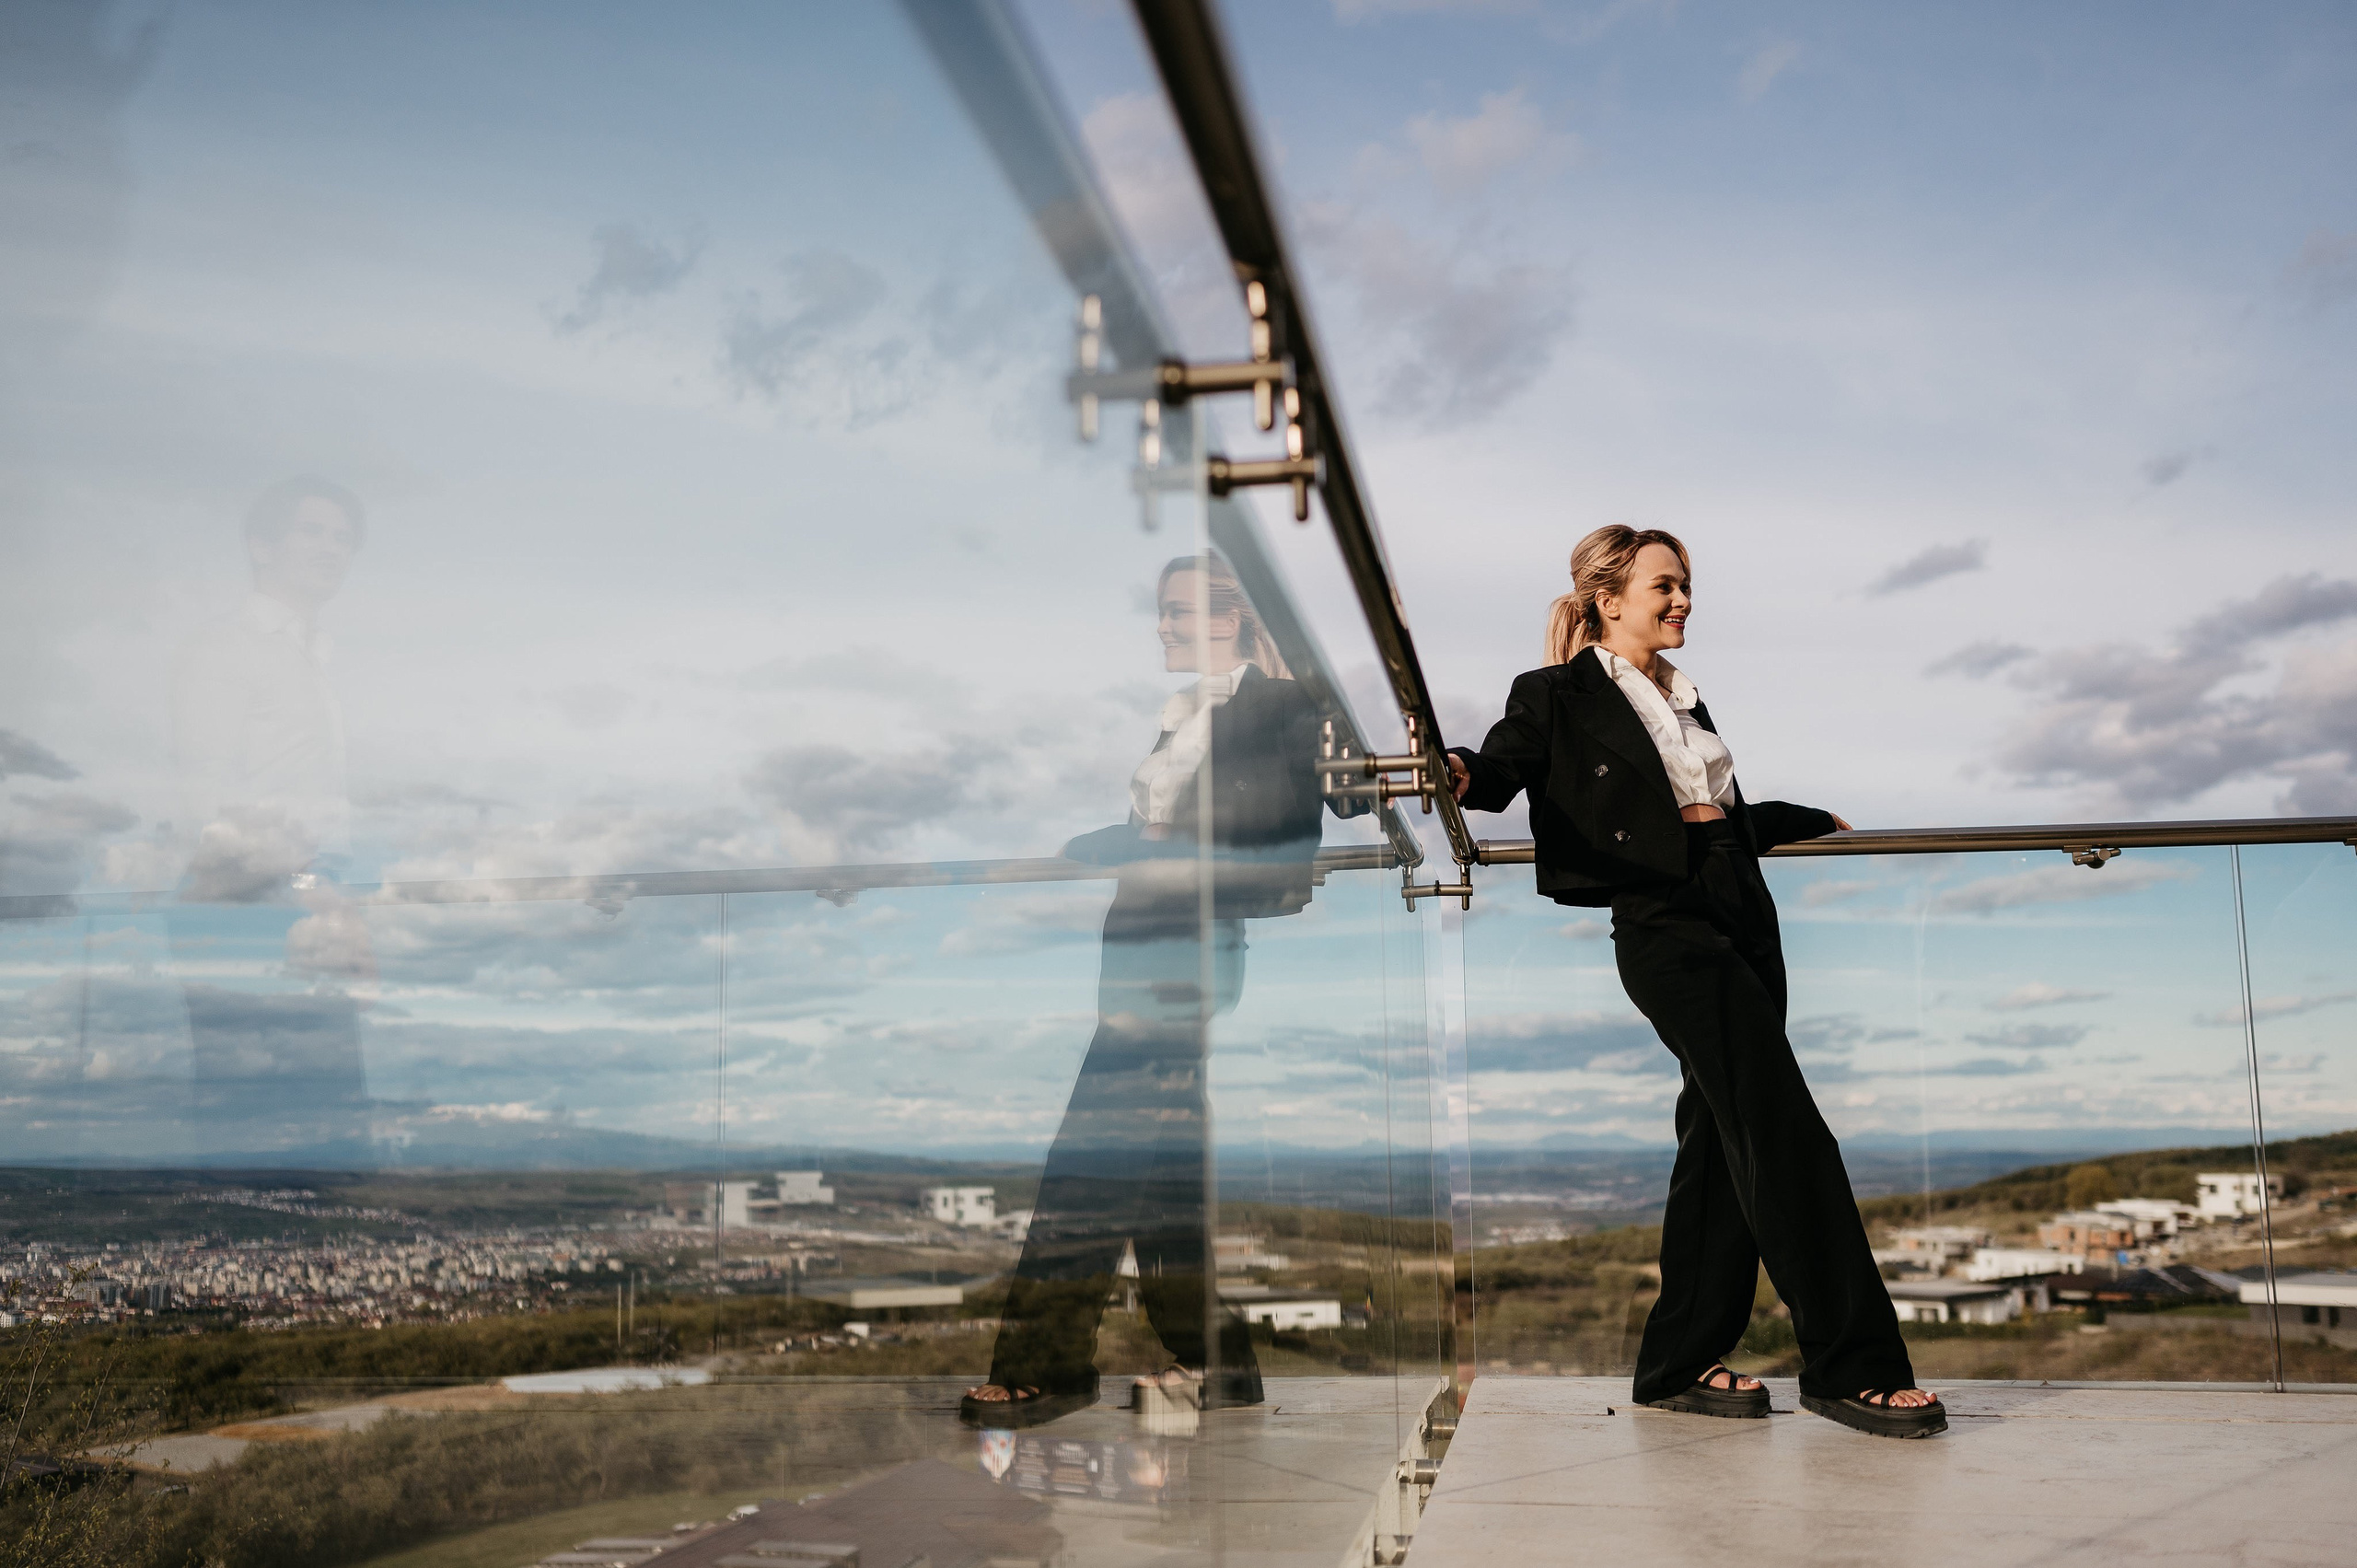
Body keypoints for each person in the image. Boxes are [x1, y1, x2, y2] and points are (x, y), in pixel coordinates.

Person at [1445, 525, 1945, 1440]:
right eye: (1663, 586)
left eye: (1684, 586)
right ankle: (1851, 1364)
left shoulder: (1683, 697)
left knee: (1720, 1137)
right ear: (1609, 598)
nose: (1680, 601)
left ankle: (1677, 1361)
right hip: (1662, 922)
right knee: (1782, 1124)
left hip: (1742, 907)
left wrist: (1800, 818)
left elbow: (1717, 812)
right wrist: (1459, 770)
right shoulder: (1555, 692)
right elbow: (1503, 764)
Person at [960, 552, 1337, 1429]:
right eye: (1162, 612)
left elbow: (1303, 820)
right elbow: (1161, 822)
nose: (1163, 626)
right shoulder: (1184, 714)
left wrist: (1154, 847)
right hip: (1137, 942)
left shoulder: (1278, 705)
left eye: (1179, 611)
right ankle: (1219, 1359)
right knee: (1162, 1174)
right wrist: (1097, 842)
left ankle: (1043, 1364)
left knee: (1090, 1158)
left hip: (1190, 950)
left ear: (1235, 614)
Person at [169, 475, 377, 1157]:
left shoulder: (321, 656)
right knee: (251, 1119)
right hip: (244, 903)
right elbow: (209, 801)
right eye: (312, 531)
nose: (332, 548)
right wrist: (312, 891)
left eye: (343, 537)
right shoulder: (225, 647)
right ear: (261, 546)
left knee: (326, 1119)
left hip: (303, 898)